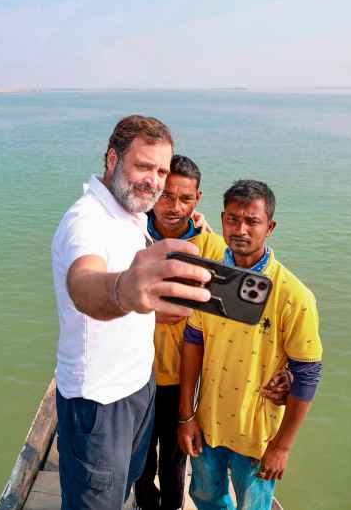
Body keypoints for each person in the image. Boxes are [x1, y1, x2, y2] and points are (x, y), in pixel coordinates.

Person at [51, 115, 214, 510]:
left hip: (140, 385)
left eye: (161, 170)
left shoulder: (132, 213)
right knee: (97, 502)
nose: (154, 181)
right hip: (100, 402)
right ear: (112, 158)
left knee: (124, 486)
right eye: (143, 166)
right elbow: (84, 283)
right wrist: (124, 290)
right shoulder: (85, 221)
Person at [177, 179, 323, 510]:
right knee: (204, 496)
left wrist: (282, 446)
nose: (240, 229)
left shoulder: (292, 296)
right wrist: (186, 416)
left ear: (269, 227)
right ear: (223, 219)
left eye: (252, 221)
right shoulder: (210, 279)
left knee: (253, 505)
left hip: (259, 436)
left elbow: (308, 371)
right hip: (210, 422)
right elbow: (193, 342)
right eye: (232, 219)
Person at [134, 155, 226, 510]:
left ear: (198, 199)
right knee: (138, 459)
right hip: (134, 374)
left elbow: (231, 315)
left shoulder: (214, 249)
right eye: (166, 195)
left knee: (174, 461)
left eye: (185, 198)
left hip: (183, 379)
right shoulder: (131, 233)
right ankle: (144, 503)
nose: (174, 207)